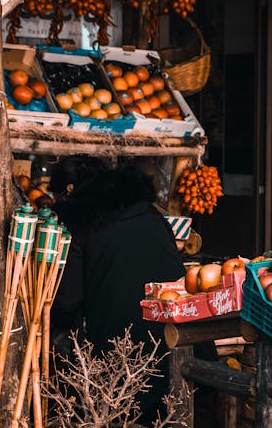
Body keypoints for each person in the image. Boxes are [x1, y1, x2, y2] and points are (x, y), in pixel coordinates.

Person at [50, 157, 184, 414]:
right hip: (177, 344)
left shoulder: (81, 225)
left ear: (69, 191)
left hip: (125, 361)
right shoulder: (151, 212)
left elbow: (67, 301)